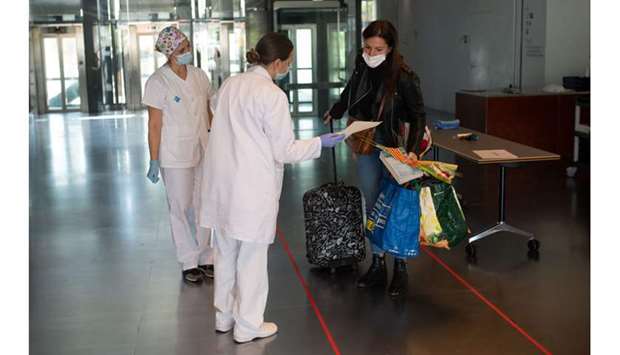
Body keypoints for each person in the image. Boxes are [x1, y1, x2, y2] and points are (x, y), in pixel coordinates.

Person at [199, 32, 345, 343]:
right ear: (277, 63)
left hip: (222, 183)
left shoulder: (231, 84)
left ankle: (224, 317)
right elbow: (285, 151)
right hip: (251, 186)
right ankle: (248, 326)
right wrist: (321, 142)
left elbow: (215, 109)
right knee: (251, 257)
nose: (289, 67)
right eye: (289, 63)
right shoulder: (272, 95)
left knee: (225, 252)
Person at [323, 20, 427, 297]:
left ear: (390, 48)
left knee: (396, 205)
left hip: (396, 147)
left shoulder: (404, 76)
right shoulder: (362, 64)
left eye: (377, 49)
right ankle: (378, 262)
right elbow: (352, 89)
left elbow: (418, 115)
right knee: (373, 203)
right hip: (367, 143)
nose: (371, 53)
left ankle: (400, 267)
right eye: (367, 47)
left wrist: (413, 150)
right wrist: (336, 110)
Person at [143, 26, 215, 285]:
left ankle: (207, 256)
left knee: (205, 202)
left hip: (203, 147)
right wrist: (153, 158)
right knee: (181, 207)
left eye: (187, 46)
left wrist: (217, 142)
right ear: (170, 52)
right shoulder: (157, 81)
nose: (187, 52)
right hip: (174, 154)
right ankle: (189, 261)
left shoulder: (199, 76)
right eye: (182, 48)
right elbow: (154, 124)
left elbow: (209, 110)